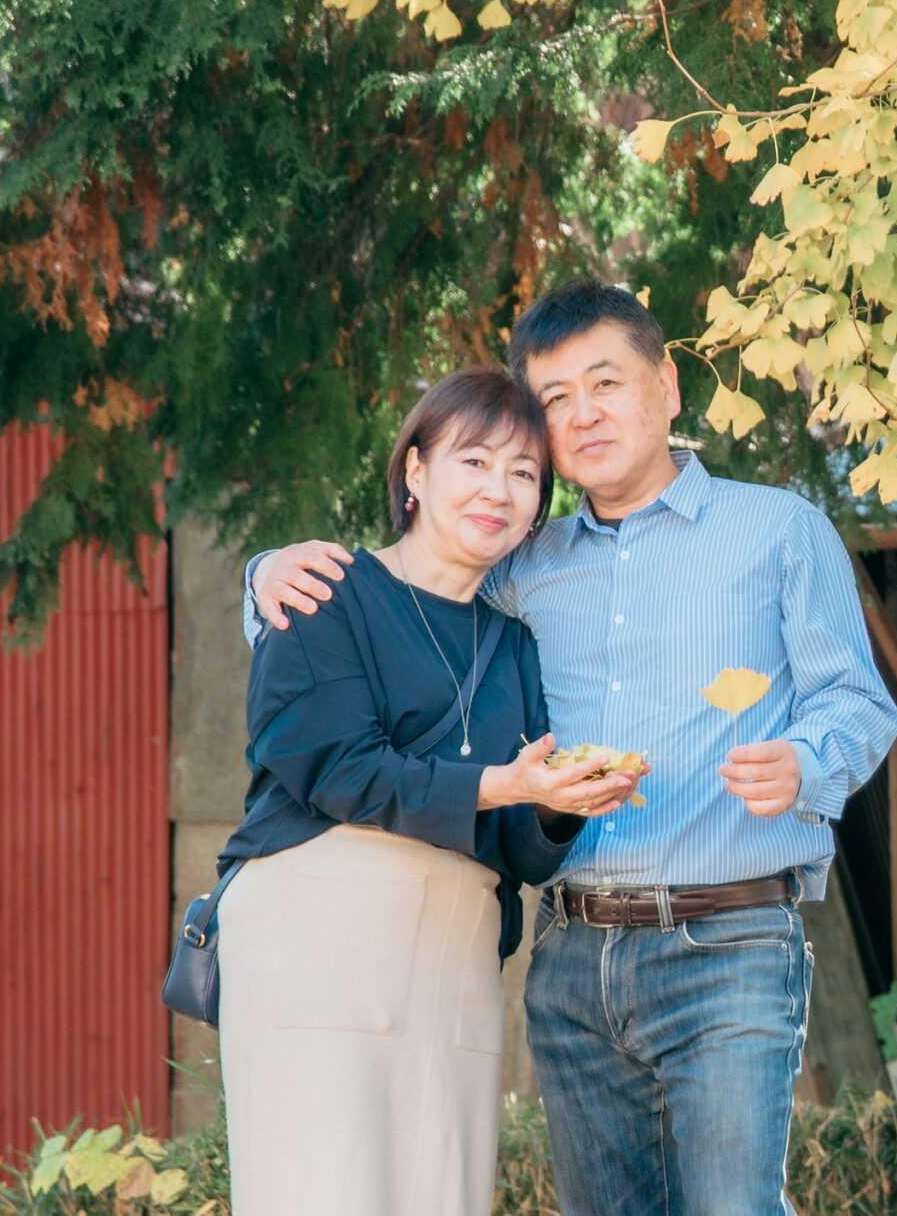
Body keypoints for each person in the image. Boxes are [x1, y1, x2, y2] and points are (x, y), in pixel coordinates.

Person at [246, 280, 897, 1216]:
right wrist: (264, 575)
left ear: (668, 386)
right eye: (555, 399)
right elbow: (409, 594)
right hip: (572, 949)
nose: (584, 414)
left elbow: (856, 701)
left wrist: (806, 759)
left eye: (606, 382)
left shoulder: (778, 531)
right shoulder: (522, 559)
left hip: (730, 937)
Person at [217, 366, 641, 1216]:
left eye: (524, 474)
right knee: (322, 1187)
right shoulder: (327, 589)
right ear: (414, 470)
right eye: (474, 461)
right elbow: (335, 765)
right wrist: (497, 782)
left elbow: (517, 845)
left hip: (456, 952)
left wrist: (558, 800)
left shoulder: (516, 643)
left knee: (442, 1193)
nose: (500, 490)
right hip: (318, 933)